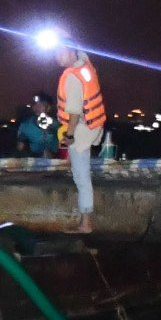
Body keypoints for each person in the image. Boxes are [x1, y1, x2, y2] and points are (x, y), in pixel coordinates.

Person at [55, 46, 108, 233]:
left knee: (81, 176)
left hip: (81, 131)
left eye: (60, 52)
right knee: (81, 172)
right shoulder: (85, 65)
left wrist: (68, 136)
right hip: (93, 126)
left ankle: (86, 224)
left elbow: (75, 112)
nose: (56, 56)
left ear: (70, 52)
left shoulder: (72, 76)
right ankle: (85, 221)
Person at [15, 90, 59, 157]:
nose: (37, 107)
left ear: (49, 108)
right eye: (35, 104)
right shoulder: (25, 125)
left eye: (42, 104)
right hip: (33, 161)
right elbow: (20, 148)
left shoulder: (57, 125)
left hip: (56, 162)